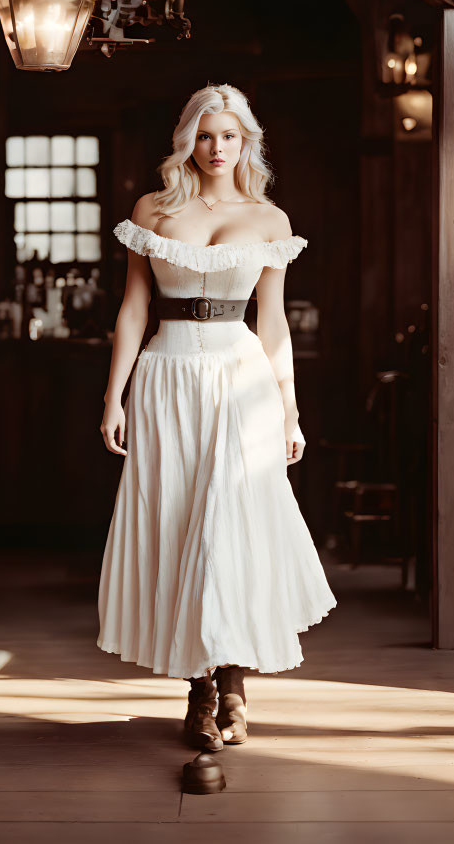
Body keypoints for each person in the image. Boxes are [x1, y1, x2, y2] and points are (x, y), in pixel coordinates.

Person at [96, 84, 337, 751]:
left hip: (241, 381)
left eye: (228, 135)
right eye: (205, 135)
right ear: (187, 141)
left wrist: (289, 412)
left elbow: (273, 323)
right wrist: (112, 397)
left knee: (230, 528)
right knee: (178, 524)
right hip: (166, 376)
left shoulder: (269, 220)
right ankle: (198, 689)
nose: (216, 148)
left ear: (245, 142)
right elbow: (133, 309)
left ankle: (232, 685)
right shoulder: (152, 209)